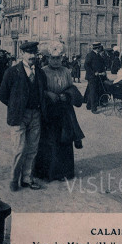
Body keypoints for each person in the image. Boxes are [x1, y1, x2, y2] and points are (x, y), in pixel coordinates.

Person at [0, 41, 46, 192]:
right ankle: (14, 179)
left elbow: (42, 92)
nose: (32, 56)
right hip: (19, 116)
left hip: (36, 114)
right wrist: (15, 107)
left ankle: (27, 179)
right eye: (29, 53)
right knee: (19, 148)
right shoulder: (12, 72)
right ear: (23, 54)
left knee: (32, 148)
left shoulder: (40, 72)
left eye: (34, 53)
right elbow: (2, 95)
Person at [33, 42, 85, 182]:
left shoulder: (66, 71)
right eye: (53, 58)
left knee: (64, 140)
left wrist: (66, 95)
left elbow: (71, 88)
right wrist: (48, 94)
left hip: (64, 110)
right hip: (49, 110)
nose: (56, 61)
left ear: (62, 58)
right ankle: (47, 173)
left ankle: (64, 172)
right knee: (49, 140)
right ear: (48, 58)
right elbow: (38, 90)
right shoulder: (43, 71)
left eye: (58, 58)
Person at [84, 42, 107, 114]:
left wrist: (103, 72)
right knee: (93, 92)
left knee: (93, 91)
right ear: (97, 48)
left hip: (98, 76)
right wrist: (93, 73)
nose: (100, 49)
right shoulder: (90, 55)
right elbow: (86, 65)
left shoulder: (98, 55)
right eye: (100, 47)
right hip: (92, 77)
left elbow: (101, 65)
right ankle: (94, 109)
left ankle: (88, 105)